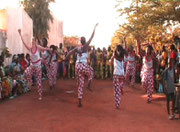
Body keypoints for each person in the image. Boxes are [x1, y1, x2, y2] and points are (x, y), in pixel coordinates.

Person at [66, 23, 98, 107]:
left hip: (77, 66)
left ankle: (79, 102)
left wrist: (66, 58)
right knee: (92, 72)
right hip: (83, 65)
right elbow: (92, 36)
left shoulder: (77, 48)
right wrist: (94, 27)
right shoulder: (85, 47)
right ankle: (89, 85)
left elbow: (69, 53)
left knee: (80, 85)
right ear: (85, 41)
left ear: (80, 41)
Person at [18, 29, 50, 100]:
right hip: (32, 65)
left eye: (34, 41)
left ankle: (40, 95)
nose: (33, 42)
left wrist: (50, 49)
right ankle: (31, 81)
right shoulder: (30, 48)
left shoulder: (38, 47)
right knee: (26, 72)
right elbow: (23, 42)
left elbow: (44, 48)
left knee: (39, 81)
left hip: (38, 66)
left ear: (36, 42)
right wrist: (20, 34)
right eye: (32, 41)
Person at [111, 45, 125, 109]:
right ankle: (121, 88)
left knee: (117, 90)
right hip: (121, 75)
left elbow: (110, 62)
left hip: (117, 74)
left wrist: (113, 56)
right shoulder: (122, 57)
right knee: (118, 88)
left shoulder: (115, 57)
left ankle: (117, 104)